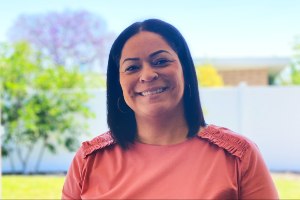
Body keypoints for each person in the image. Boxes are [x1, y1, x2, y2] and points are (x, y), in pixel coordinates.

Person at [62, 19, 278, 199]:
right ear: (118, 82)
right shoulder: (87, 161)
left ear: (184, 69)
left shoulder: (238, 156)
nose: (147, 75)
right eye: (132, 67)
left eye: (161, 61)